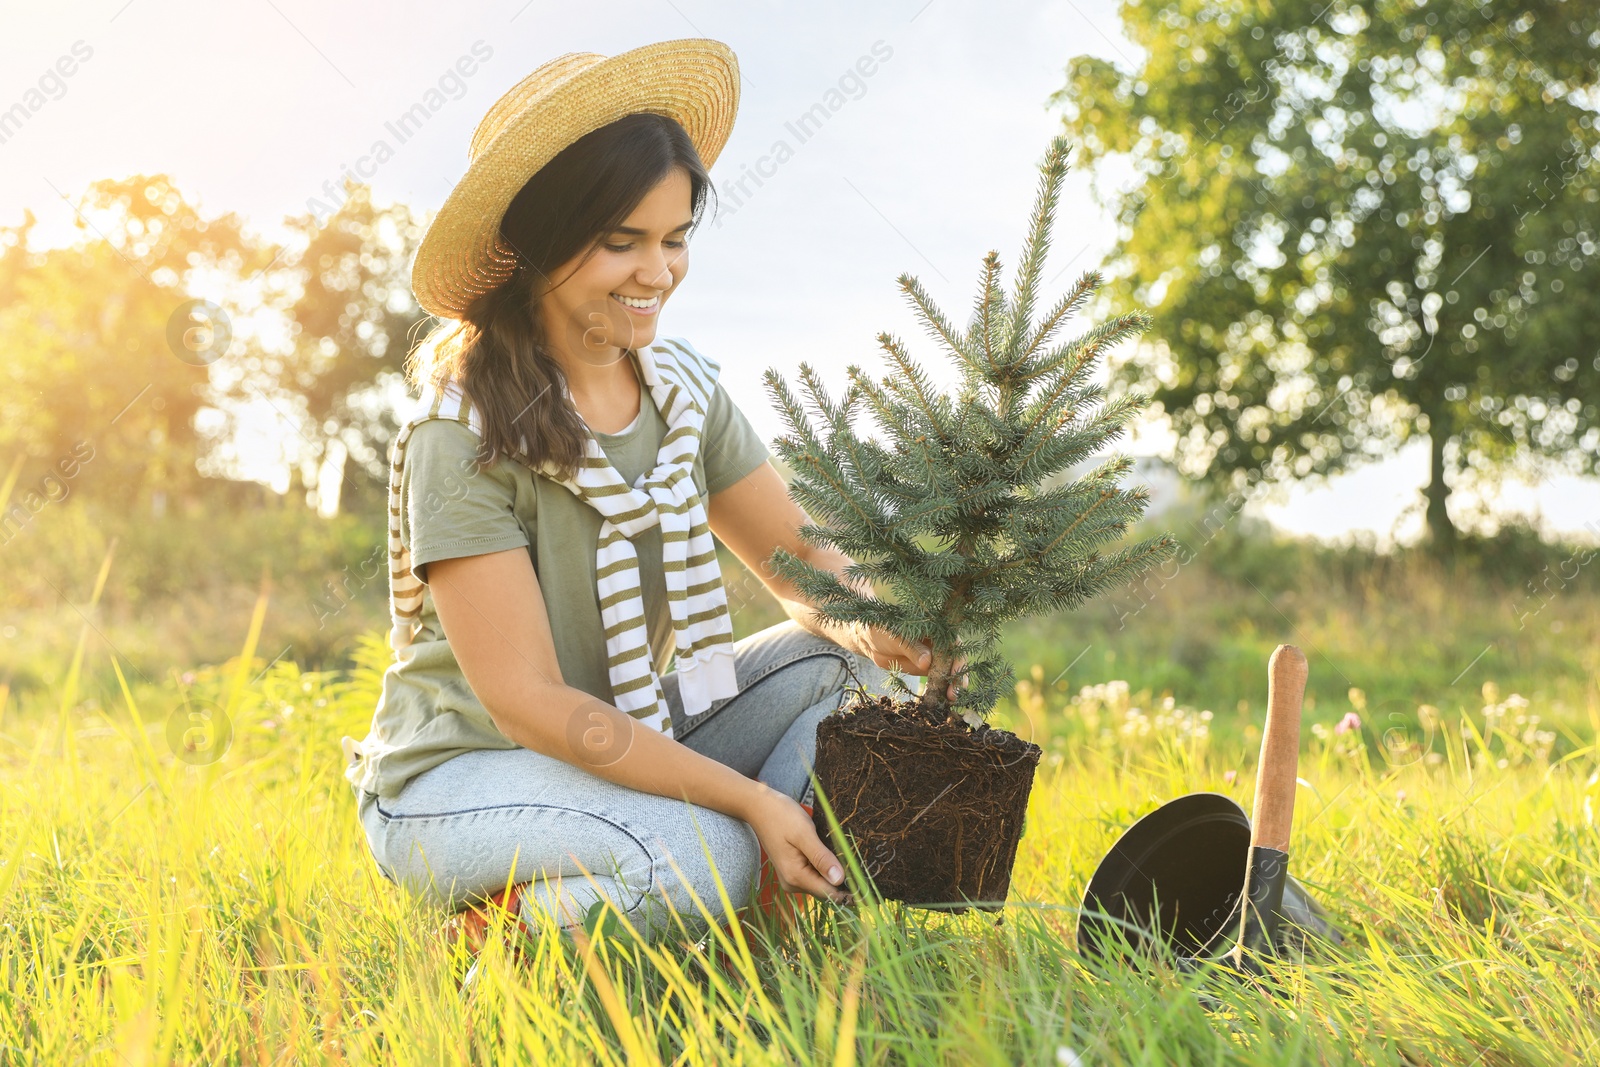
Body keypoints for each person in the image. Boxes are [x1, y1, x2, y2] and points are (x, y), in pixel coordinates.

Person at [338, 38, 966, 946]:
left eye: (674, 239)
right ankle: (503, 932)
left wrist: (885, 623)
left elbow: (805, 573)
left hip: (624, 730)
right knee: (711, 852)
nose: (658, 272)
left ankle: (771, 935)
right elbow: (531, 703)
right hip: (462, 779)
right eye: (619, 242)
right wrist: (751, 800)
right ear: (537, 249)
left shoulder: (681, 395)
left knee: (844, 667)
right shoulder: (461, 434)